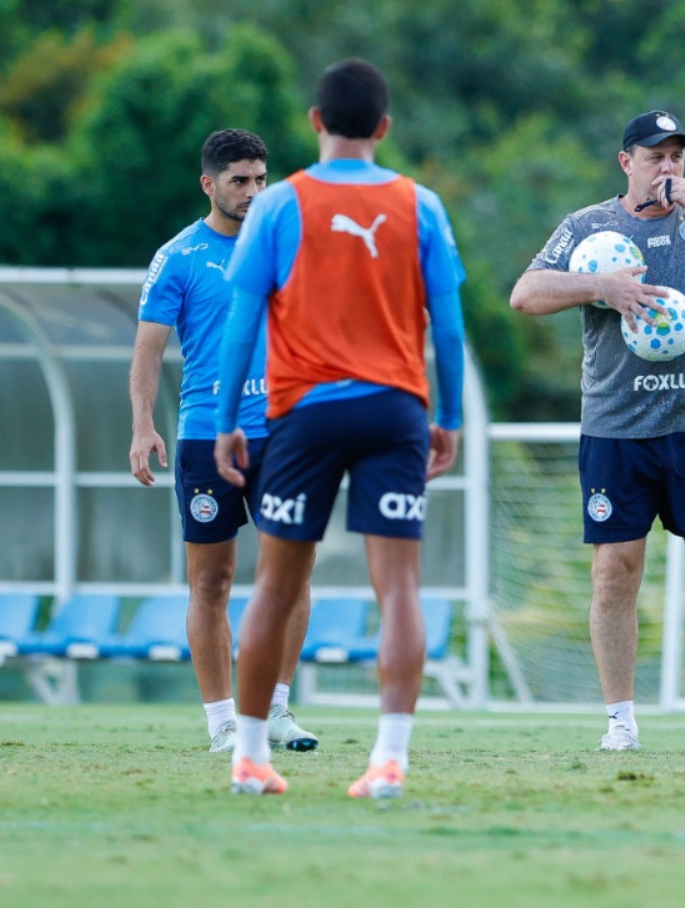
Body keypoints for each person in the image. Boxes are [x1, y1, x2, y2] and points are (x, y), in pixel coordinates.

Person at [214, 58, 466, 797]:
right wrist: (444, 418)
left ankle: (250, 759)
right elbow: (446, 327)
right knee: (400, 589)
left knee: (274, 587)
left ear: (315, 122)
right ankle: (389, 759)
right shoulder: (419, 203)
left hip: (304, 412)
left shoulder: (278, 204)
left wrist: (229, 419)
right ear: (383, 129)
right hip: (394, 411)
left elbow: (241, 323)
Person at [510, 110, 685, 754]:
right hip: (615, 433)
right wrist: (598, 287)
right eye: (655, 156)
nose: (668, 167)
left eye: (677, 157)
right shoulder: (588, 227)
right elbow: (524, 296)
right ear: (626, 162)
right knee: (615, 572)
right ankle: (620, 721)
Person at [130, 128, 318, 754]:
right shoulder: (178, 256)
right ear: (209, 183)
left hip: (284, 433)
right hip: (207, 435)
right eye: (240, 180)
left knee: (290, 573)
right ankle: (222, 723)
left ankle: (279, 711)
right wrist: (141, 424)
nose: (253, 191)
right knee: (211, 582)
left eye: (261, 179)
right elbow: (149, 351)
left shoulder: (288, 246)